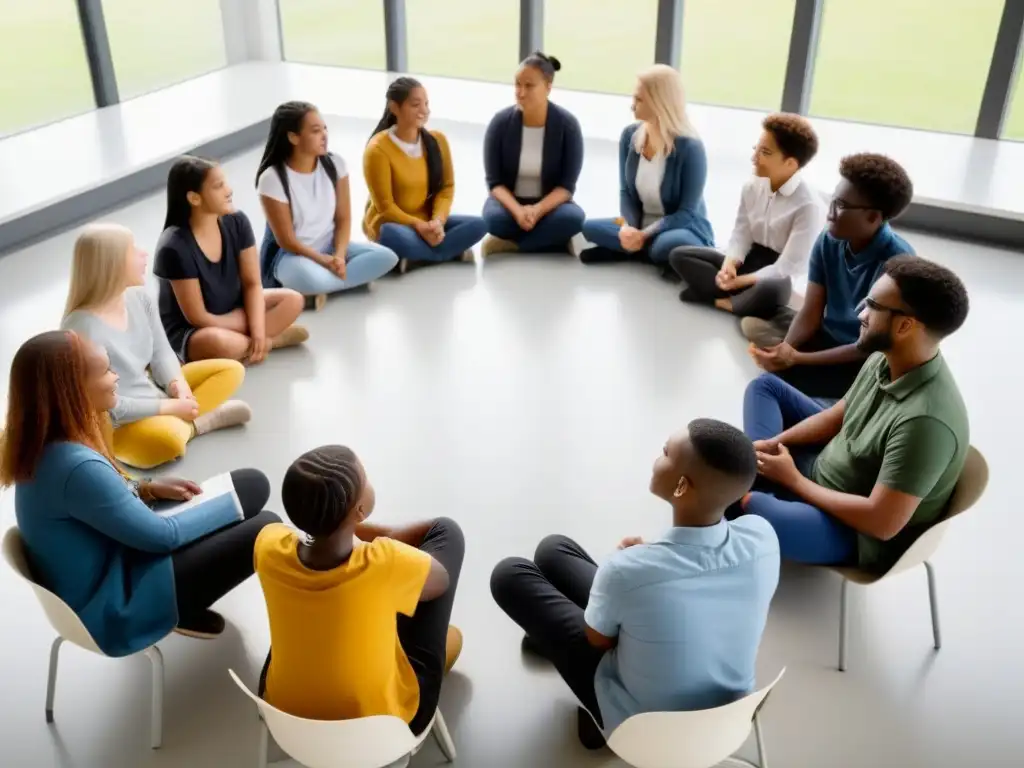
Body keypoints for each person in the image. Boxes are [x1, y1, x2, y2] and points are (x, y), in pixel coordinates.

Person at [490, 420, 779, 748]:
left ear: (682, 486)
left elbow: (598, 640)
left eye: (665, 453)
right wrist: (645, 561)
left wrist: (631, 565)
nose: (658, 457)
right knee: (553, 550)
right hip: (726, 714)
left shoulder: (625, 570)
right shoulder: (763, 537)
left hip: (643, 728)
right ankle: (557, 635)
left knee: (509, 574)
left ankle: (598, 715)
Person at [1, 330, 280, 649]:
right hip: (122, 604)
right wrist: (224, 507)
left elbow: (98, 500)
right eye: (106, 371)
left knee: (253, 484)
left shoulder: (44, 445)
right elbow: (164, 537)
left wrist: (146, 489)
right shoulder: (75, 467)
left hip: (119, 558)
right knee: (265, 524)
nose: (115, 376)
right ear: (73, 390)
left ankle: (185, 598)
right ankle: (180, 609)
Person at [739, 256, 969, 572]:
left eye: (873, 306)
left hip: (852, 528)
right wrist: (775, 443)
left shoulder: (926, 424)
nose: (860, 313)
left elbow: (881, 522)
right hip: (827, 465)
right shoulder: (886, 356)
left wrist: (792, 480)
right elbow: (837, 417)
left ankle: (755, 486)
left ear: (904, 325)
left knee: (753, 506)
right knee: (765, 387)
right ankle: (755, 472)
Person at [254, 445, 464, 737]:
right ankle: (435, 653)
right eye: (365, 480)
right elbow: (440, 581)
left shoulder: (267, 544)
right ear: (361, 511)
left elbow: (296, 531)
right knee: (447, 531)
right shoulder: (385, 562)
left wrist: (352, 529)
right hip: (381, 729)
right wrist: (388, 537)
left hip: (285, 714)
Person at [62, 224, 251, 469]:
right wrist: (170, 406)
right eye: (133, 250)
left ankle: (187, 418)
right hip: (121, 425)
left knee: (231, 370)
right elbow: (111, 407)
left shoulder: (139, 298)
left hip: (155, 395)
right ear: (111, 263)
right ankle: (199, 423)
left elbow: (161, 352)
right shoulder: (81, 329)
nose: (144, 254)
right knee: (168, 445)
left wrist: (177, 385)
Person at [745, 153, 915, 399]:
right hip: (827, 337)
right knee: (772, 365)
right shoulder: (828, 240)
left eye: (842, 206)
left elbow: (867, 347)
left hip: (864, 359)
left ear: (873, 217)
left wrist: (798, 358)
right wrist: (787, 350)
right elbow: (811, 310)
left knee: (777, 385)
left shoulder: (897, 263)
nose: (830, 212)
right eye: (833, 200)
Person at [668, 113, 826, 317]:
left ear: (791, 164)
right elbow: (741, 234)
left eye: (765, 152)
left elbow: (786, 267)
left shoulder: (809, 206)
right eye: (756, 149)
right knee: (679, 255)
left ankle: (718, 299)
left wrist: (740, 281)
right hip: (749, 260)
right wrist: (729, 266)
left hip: (777, 274)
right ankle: (736, 301)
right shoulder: (752, 187)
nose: (754, 158)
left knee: (769, 289)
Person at [155, 156, 308, 363]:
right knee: (217, 342)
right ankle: (272, 341)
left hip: (235, 310)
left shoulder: (237, 221)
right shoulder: (174, 246)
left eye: (225, 182)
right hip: (196, 330)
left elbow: (252, 284)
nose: (229, 190)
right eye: (218, 186)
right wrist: (255, 327)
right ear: (194, 198)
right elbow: (198, 317)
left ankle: (252, 344)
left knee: (293, 300)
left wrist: (257, 329)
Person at [257, 101, 399, 310]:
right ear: (293, 137)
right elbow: (286, 240)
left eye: (325, 128)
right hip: (293, 257)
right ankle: (334, 283)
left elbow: (343, 218)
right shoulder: (272, 179)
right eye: (315, 131)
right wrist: (323, 261)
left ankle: (318, 291)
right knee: (305, 275)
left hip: (331, 247)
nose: (324, 135)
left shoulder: (336, 164)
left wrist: (339, 256)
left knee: (387, 257)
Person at [579, 65, 714, 270]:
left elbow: (686, 213)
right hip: (640, 224)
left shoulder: (690, 148)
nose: (632, 106)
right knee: (589, 227)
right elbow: (626, 192)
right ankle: (640, 251)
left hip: (680, 228)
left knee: (666, 244)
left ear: (660, 103)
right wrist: (628, 228)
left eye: (639, 99)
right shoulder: (630, 136)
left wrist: (644, 235)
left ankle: (631, 250)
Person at [363, 77, 487, 274]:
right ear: (394, 108)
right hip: (395, 224)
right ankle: (448, 253)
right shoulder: (377, 150)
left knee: (480, 224)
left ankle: (416, 259)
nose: (425, 111)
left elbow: (446, 188)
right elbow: (385, 208)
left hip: (428, 221)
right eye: (415, 104)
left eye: (426, 103)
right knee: (390, 234)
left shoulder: (437, 141)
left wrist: (437, 222)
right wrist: (419, 226)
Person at [481, 52, 585, 257]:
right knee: (492, 220)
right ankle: (552, 241)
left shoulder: (568, 125)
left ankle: (513, 245)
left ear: (548, 87)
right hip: (510, 203)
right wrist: (519, 211)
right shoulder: (500, 123)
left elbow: (566, 187)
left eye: (529, 86)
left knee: (574, 218)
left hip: (548, 205)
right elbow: (495, 183)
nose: (520, 92)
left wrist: (537, 210)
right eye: (517, 84)